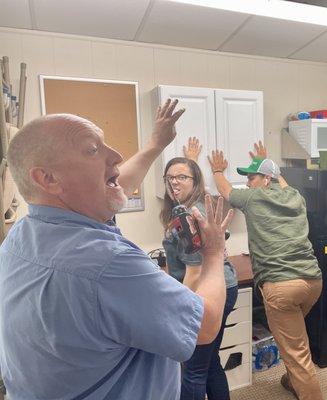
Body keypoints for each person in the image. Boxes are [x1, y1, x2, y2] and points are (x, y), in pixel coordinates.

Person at [0, 100, 232, 399]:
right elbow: (205, 325)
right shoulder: (106, 263)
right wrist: (214, 250)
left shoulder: (22, 235)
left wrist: (156, 144)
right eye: (93, 150)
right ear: (48, 178)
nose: (117, 155)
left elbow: (114, 184)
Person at [208, 142, 324, 400]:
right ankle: (293, 381)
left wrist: (217, 170)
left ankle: (304, 385)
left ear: (266, 179)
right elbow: (281, 182)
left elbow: (226, 191)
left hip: (281, 286)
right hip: (312, 282)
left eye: (251, 177)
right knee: (294, 340)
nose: (248, 183)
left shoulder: (253, 197)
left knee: (297, 354)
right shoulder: (296, 196)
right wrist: (266, 162)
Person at [160, 136, 238, 400]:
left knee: (192, 369)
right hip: (220, 285)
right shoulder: (188, 208)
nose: (174, 182)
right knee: (209, 361)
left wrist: (176, 309)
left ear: (194, 182)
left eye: (182, 177)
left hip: (206, 289)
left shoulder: (191, 216)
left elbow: (193, 271)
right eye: (170, 177)